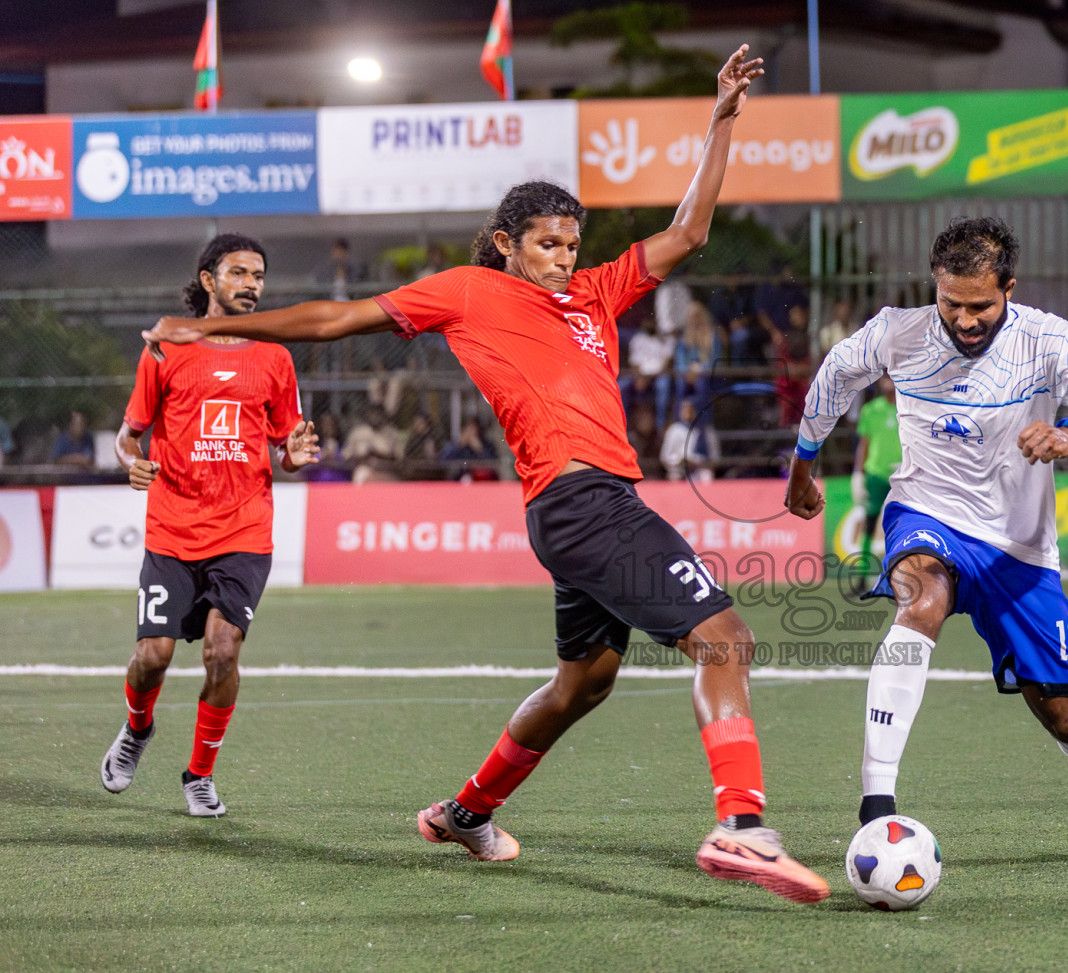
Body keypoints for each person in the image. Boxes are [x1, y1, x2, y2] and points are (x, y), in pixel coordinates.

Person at [143, 46, 828, 904]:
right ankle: (741, 827)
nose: (563, 258)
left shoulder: (596, 294)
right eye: (546, 244)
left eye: (572, 244)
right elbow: (338, 318)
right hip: (582, 503)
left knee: (584, 684)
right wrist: (216, 332)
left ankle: (465, 812)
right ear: (507, 243)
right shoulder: (469, 290)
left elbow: (689, 231)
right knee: (726, 639)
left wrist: (721, 118)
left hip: (591, 506)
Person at [785, 217, 1068, 862]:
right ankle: (877, 803)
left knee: (1063, 715)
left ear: (1009, 290)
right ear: (934, 287)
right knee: (922, 596)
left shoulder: (1048, 339)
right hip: (925, 511)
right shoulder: (896, 333)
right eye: (951, 304)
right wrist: (803, 461)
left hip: (1019, 549)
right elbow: (834, 378)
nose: (964, 320)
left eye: (981, 306)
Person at [100, 233, 319, 817]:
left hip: (243, 531)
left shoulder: (275, 355)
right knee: (153, 656)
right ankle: (136, 730)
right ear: (208, 281)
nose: (251, 284)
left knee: (223, 653)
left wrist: (295, 457)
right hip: (173, 528)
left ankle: (199, 774)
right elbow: (127, 436)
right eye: (239, 272)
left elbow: (287, 447)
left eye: (259, 275)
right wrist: (132, 463)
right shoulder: (167, 348)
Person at [852, 375, 902, 576]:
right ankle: (862, 574)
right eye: (885, 378)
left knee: (901, 526)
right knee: (870, 521)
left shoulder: (909, 409)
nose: (888, 383)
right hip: (876, 474)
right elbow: (864, 444)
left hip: (902, 475)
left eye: (892, 378)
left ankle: (897, 573)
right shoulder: (871, 410)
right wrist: (858, 473)